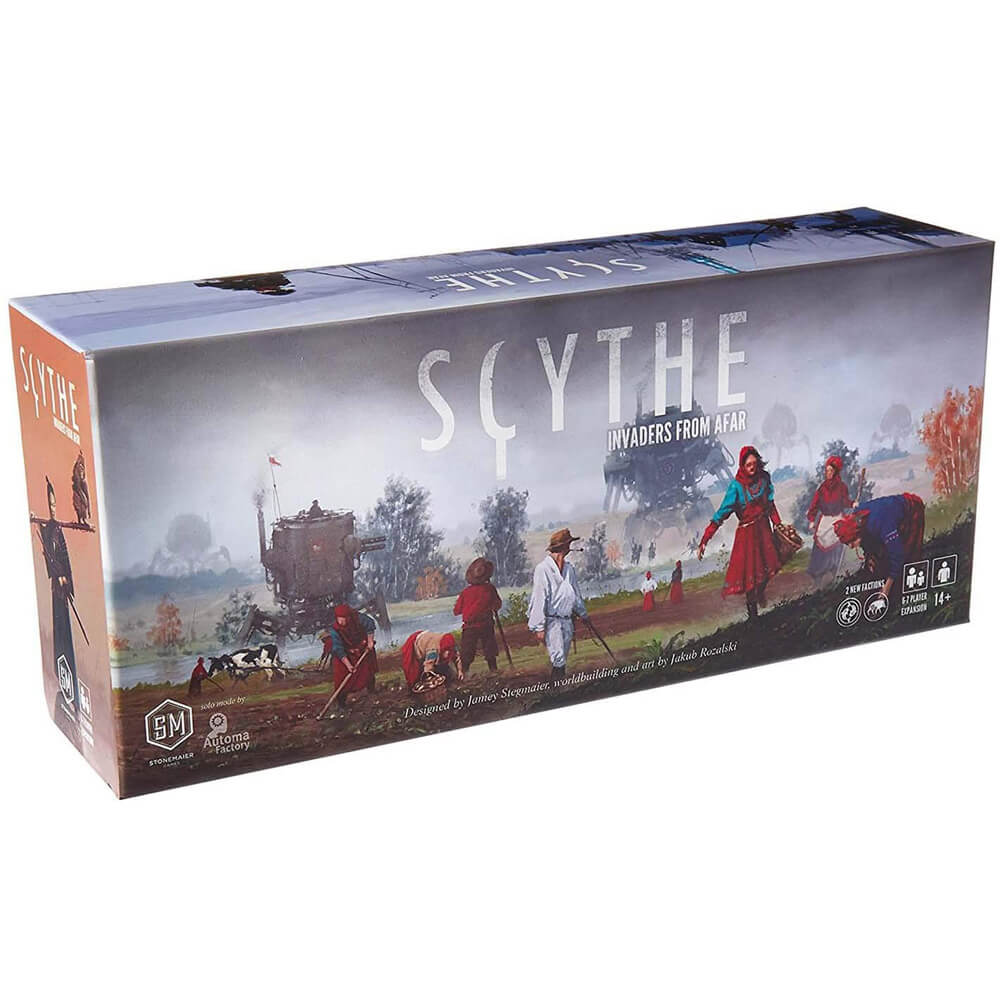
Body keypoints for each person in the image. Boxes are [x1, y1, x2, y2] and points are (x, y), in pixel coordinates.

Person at [698, 445, 783, 623]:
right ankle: (753, 616)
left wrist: (778, 524)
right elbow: (721, 514)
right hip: (747, 536)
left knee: (768, 568)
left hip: (764, 530)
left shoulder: (764, 479)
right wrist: (705, 539)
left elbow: (770, 504)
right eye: (748, 465)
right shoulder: (736, 487)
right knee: (750, 576)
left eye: (754, 464)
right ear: (743, 466)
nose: (752, 467)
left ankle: (760, 593)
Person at [37, 478, 80, 711]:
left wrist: (66, 579)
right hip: (56, 588)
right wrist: (57, 575)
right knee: (58, 627)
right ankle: (60, 679)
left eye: (54, 505)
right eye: (50, 505)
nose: (52, 509)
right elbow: (49, 559)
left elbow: (65, 558)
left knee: (65, 627)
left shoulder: (59, 531)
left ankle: (71, 683)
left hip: (63, 588)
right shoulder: (46, 530)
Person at [833, 493, 925, 602]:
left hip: (911, 510)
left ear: (858, 534)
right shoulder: (857, 517)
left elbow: (897, 555)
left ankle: (911, 585)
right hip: (886, 516)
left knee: (908, 551)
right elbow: (867, 542)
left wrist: (887, 587)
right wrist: (869, 557)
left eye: (852, 542)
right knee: (879, 558)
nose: (851, 547)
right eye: (847, 544)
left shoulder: (882, 523)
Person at [528, 528, 588, 683]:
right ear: (563, 546)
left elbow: (575, 594)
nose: (570, 547)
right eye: (568, 544)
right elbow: (539, 597)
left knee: (563, 657)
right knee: (558, 657)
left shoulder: (569, 569)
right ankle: (556, 687)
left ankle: (559, 686)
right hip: (552, 621)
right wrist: (539, 626)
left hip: (567, 620)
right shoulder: (543, 569)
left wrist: (583, 613)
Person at [806, 456, 853, 583]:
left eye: (831, 471)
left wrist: (852, 504)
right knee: (820, 547)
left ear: (836, 472)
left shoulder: (842, 487)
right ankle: (818, 577)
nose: (828, 473)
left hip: (837, 519)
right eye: (826, 471)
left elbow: (845, 501)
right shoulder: (822, 488)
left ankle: (834, 575)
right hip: (825, 521)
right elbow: (815, 504)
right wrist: (812, 520)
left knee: (836, 548)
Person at [454, 557, 503, 673]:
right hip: (485, 624)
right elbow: (497, 605)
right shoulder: (490, 589)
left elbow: (457, 611)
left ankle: (463, 674)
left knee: (467, 652)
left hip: (471, 626)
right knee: (490, 651)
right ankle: (494, 671)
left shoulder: (465, 592)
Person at [328, 604, 378, 708]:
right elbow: (338, 648)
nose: (341, 622)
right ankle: (341, 703)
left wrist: (370, 642)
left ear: (349, 617)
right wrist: (348, 665)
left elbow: (370, 624)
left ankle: (372, 692)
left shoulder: (358, 618)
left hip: (362, 648)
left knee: (368, 671)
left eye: (344, 619)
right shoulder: (334, 629)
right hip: (345, 653)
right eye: (339, 619)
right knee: (341, 678)